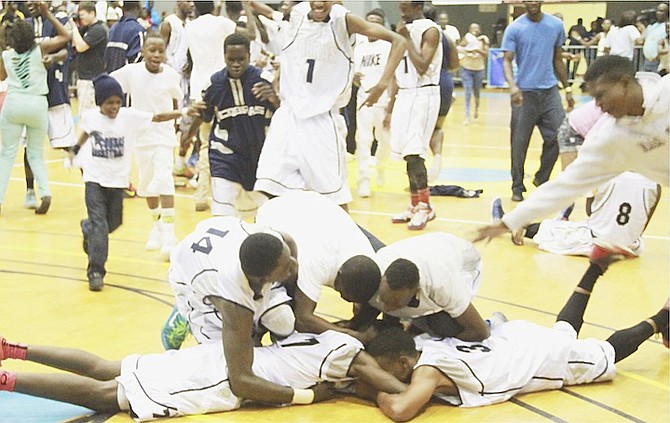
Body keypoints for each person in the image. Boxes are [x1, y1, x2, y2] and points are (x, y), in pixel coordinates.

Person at [367, 249, 669, 421]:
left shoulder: (427, 373)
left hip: (537, 359)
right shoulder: (421, 341)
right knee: (563, 332)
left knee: (605, 354)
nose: (380, 376)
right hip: (513, 338)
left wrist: (373, 391)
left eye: (386, 370)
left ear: (405, 363)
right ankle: (594, 267)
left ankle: (663, 317)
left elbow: (401, 410)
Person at [0, 330, 406, 421]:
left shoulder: (331, 335)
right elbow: (397, 390)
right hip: (224, 375)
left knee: (109, 367)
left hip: (217, 356)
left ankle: (14, 350)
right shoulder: (355, 357)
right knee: (107, 394)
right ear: (386, 357)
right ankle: (6, 380)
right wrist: (424, 384)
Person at [475, 56, 668, 244]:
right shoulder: (610, 138)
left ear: (625, 83)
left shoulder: (666, 92)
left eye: (600, 95)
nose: (598, 105)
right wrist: (510, 222)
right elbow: (565, 185)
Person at [252, 1, 406, 208]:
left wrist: (382, 84)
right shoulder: (296, 15)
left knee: (334, 200)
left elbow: (399, 41)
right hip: (288, 116)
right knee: (267, 187)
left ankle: (346, 239)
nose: (319, 3)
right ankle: (284, 236)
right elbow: (268, 13)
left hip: (322, 120)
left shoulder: (344, 20)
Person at [72, 75, 187, 291]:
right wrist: (75, 149)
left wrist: (183, 112)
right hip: (94, 179)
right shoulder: (90, 117)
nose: (114, 107)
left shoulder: (129, 117)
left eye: (117, 102)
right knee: (100, 224)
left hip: (117, 181)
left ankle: (87, 228)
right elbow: (85, 133)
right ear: (100, 103)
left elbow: (159, 117)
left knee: (113, 222)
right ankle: (96, 271)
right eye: (109, 103)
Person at [255, 191, 380, 342]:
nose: (342, 297)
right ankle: (259, 331)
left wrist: (354, 322)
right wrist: (354, 336)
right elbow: (302, 319)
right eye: (342, 291)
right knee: (285, 317)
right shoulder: (315, 263)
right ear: (339, 274)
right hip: (274, 214)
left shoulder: (371, 258)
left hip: (314, 208)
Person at [181, 33, 279, 218]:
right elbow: (204, 114)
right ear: (224, 56)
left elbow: (285, 115)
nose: (236, 64)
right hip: (225, 156)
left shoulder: (265, 81)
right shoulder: (214, 84)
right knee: (223, 217)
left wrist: (275, 100)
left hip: (262, 157)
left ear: (250, 56)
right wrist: (187, 135)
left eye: (241, 59)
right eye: (231, 59)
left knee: (268, 218)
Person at [110, 33, 183, 259]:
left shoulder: (171, 76)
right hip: (141, 137)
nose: (156, 55)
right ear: (143, 51)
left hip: (164, 135)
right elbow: (107, 83)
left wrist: (177, 124)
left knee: (164, 178)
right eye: (152, 50)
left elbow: (176, 101)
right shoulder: (131, 72)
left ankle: (170, 233)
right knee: (148, 185)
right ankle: (157, 225)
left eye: (161, 50)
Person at [340, 232, 489, 342]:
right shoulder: (373, 271)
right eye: (384, 300)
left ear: (416, 290)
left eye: (396, 303)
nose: (388, 307)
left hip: (465, 263)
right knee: (376, 320)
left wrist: (435, 346)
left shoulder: (442, 285)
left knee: (442, 326)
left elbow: (480, 332)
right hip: (426, 249)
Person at [501, 1, 573, 203]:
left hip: (550, 92)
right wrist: (513, 86)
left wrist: (567, 88)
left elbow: (557, 59)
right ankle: (517, 186)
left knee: (560, 136)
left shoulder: (555, 25)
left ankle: (542, 178)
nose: (532, 2)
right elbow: (506, 60)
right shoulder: (515, 28)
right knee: (519, 143)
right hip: (524, 94)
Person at [491, 172, 661, 256]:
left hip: (597, 242)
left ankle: (509, 225)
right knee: (576, 227)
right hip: (631, 247)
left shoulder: (606, 173)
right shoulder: (655, 185)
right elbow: (642, 225)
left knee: (551, 228)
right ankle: (562, 218)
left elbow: (590, 211)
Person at [0, 14, 70, 216]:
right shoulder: (40, 50)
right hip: (37, 103)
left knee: (6, 154)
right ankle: (45, 193)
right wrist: (47, 13)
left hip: (14, 103)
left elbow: (2, 76)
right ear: (32, 38)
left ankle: (0, 198)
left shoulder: (6, 56)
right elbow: (65, 36)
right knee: (36, 154)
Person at [388, 1, 442, 230]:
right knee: (406, 155)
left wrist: (405, 39)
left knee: (415, 152)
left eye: (405, 6)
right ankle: (414, 204)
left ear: (418, 5)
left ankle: (425, 207)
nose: (401, 10)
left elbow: (421, 65)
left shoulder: (430, 30)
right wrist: (390, 102)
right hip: (405, 95)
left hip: (424, 94)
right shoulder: (402, 29)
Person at [22, 0, 76, 210]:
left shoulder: (60, 19)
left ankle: (94, 184)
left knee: (68, 144)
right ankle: (29, 191)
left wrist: (52, 57)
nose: (29, 2)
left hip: (55, 92)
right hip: (32, 94)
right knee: (29, 147)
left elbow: (67, 50)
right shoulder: (25, 24)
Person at [184, 0, 236, 212]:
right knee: (228, 141)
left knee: (205, 144)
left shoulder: (190, 26)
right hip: (222, 86)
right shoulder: (223, 23)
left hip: (199, 88)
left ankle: (201, 195)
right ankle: (224, 192)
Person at [353, 8, 392, 198]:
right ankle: (363, 181)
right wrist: (354, 78)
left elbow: (394, 78)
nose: (372, 24)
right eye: (370, 21)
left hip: (384, 102)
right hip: (364, 101)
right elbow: (354, 77)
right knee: (363, 140)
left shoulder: (388, 46)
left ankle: (381, 167)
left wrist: (392, 106)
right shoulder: (359, 48)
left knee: (385, 143)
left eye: (377, 21)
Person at [159, 0, 194, 175]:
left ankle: (179, 163)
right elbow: (160, 51)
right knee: (171, 124)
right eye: (188, 1)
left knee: (188, 124)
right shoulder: (168, 23)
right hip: (171, 81)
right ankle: (167, 163)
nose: (192, 4)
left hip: (187, 82)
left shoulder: (191, 25)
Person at [69, 1, 108, 116]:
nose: (81, 19)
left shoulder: (98, 30)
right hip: (85, 76)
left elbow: (80, 47)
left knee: (86, 114)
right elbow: (74, 45)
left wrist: (74, 28)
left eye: (83, 15)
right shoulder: (86, 29)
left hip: (91, 77)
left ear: (92, 13)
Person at [104, 0, 145, 73]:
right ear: (137, 8)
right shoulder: (138, 30)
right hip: (127, 79)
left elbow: (106, 56)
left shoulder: (113, 28)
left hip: (111, 76)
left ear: (123, 10)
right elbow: (137, 59)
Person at [459, 23, 489, 125]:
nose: (475, 30)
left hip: (479, 70)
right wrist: (467, 52)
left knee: (476, 93)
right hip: (467, 69)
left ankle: (476, 109)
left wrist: (477, 50)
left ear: (479, 30)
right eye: (472, 28)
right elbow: (460, 48)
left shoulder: (483, 39)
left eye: (476, 28)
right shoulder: (467, 38)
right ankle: (467, 117)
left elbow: (486, 54)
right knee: (467, 92)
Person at [641, 3, 669, 73]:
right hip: (647, 61)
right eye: (657, 10)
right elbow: (643, 40)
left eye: (661, 11)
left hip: (660, 62)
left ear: (667, 13)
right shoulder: (651, 27)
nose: (658, 13)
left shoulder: (667, 26)